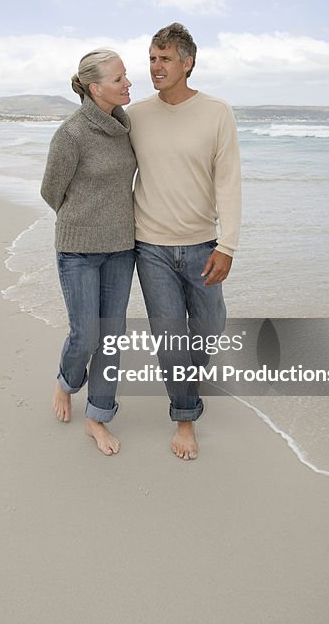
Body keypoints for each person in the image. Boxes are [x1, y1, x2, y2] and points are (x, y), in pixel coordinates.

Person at [128, 23, 241, 460]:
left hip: (202, 245)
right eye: (152, 58)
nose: (155, 66)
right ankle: (185, 416)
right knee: (171, 336)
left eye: (165, 59)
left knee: (210, 329)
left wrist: (227, 245)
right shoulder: (135, 115)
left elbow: (228, 182)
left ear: (187, 63)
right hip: (150, 246)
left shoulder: (217, 112)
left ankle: (183, 381)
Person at [40, 49, 136, 455]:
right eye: (119, 79)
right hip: (79, 250)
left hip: (121, 248)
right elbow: (50, 191)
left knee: (112, 339)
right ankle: (65, 383)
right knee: (86, 336)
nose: (129, 83)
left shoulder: (126, 125)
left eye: (126, 76)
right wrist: (86, 219)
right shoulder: (71, 133)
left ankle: (96, 417)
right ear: (96, 88)